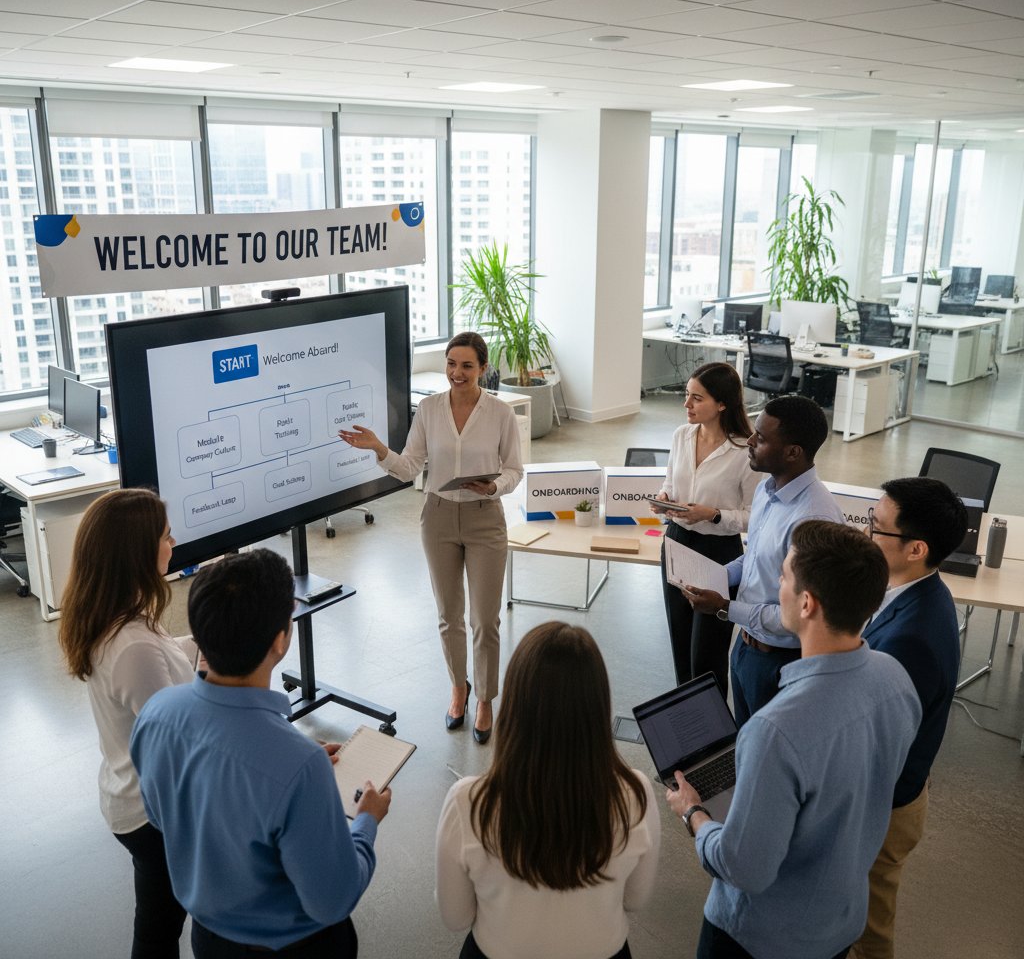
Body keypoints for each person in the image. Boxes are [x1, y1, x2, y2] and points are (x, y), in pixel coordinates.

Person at [667, 521, 921, 959]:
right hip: (841, 922)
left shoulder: (774, 731)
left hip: (758, 938)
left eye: (782, 577)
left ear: (807, 603)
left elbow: (743, 868)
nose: (776, 587)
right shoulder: (895, 679)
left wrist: (693, 813)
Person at [130, 549, 391, 959]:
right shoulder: (300, 766)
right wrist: (366, 822)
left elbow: (164, 816)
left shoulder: (155, 716)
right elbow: (332, 901)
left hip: (209, 942)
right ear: (280, 640)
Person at [338, 331, 523, 743]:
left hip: (485, 518)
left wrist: (494, 487)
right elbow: (409, 467)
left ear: (483, 368)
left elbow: (514, 469)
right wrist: (379, 449)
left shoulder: (499, 413)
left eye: (467, 366)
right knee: (448, 615)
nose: (457, 373)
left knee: (485, 619)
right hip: (437, 518)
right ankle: (459, 688)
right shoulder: (429, 408)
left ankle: (485, 698)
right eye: (451, 364)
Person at [435, 621, 661, 959]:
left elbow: (455, 918)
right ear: (597, 707)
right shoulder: (635, 795)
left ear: (514, 707)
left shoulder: (468, 802)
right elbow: (636, 900)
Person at [57, 487, 190, 959]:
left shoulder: (120, 615)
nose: (173, 542)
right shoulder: (132, 645)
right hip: (152, 814)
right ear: (137, 553)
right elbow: (180, 738)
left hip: (129, 795)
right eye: (165, 536)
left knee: (156, 924)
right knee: (159, 933)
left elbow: (166, 658)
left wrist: (213, 640)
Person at [850, 478, 967, 959]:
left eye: (877, 527)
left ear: (916, 549)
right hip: (898, 792)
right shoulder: (916, 593)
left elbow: (879, 742)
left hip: (886, 806)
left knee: (868, 927)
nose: (866, 534)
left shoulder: (910, 639)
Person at [681, 395, 844, 725]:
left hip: (782, 661)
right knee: (746, 741)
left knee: (768, 750)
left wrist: (724, 608)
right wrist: (715, 575)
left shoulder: (813, 520)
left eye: (762, 437)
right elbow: (754, 557)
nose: (750, 442)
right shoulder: (767, 490)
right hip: (747, 645)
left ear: (793, 452)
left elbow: (800, 616)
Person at [652, 362, 762, 690]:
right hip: (676, 542)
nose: (686, 404)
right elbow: (670, 483)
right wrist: (664, 499)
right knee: (681, 642)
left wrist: (712, 514)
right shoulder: (681, 436)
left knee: (707, 653)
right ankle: (688, 713)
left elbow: (754, 516)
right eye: (687, 395)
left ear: (722, 404)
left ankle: (712, 719)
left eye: (696, 398)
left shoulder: (744, 452)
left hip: (719, 553)